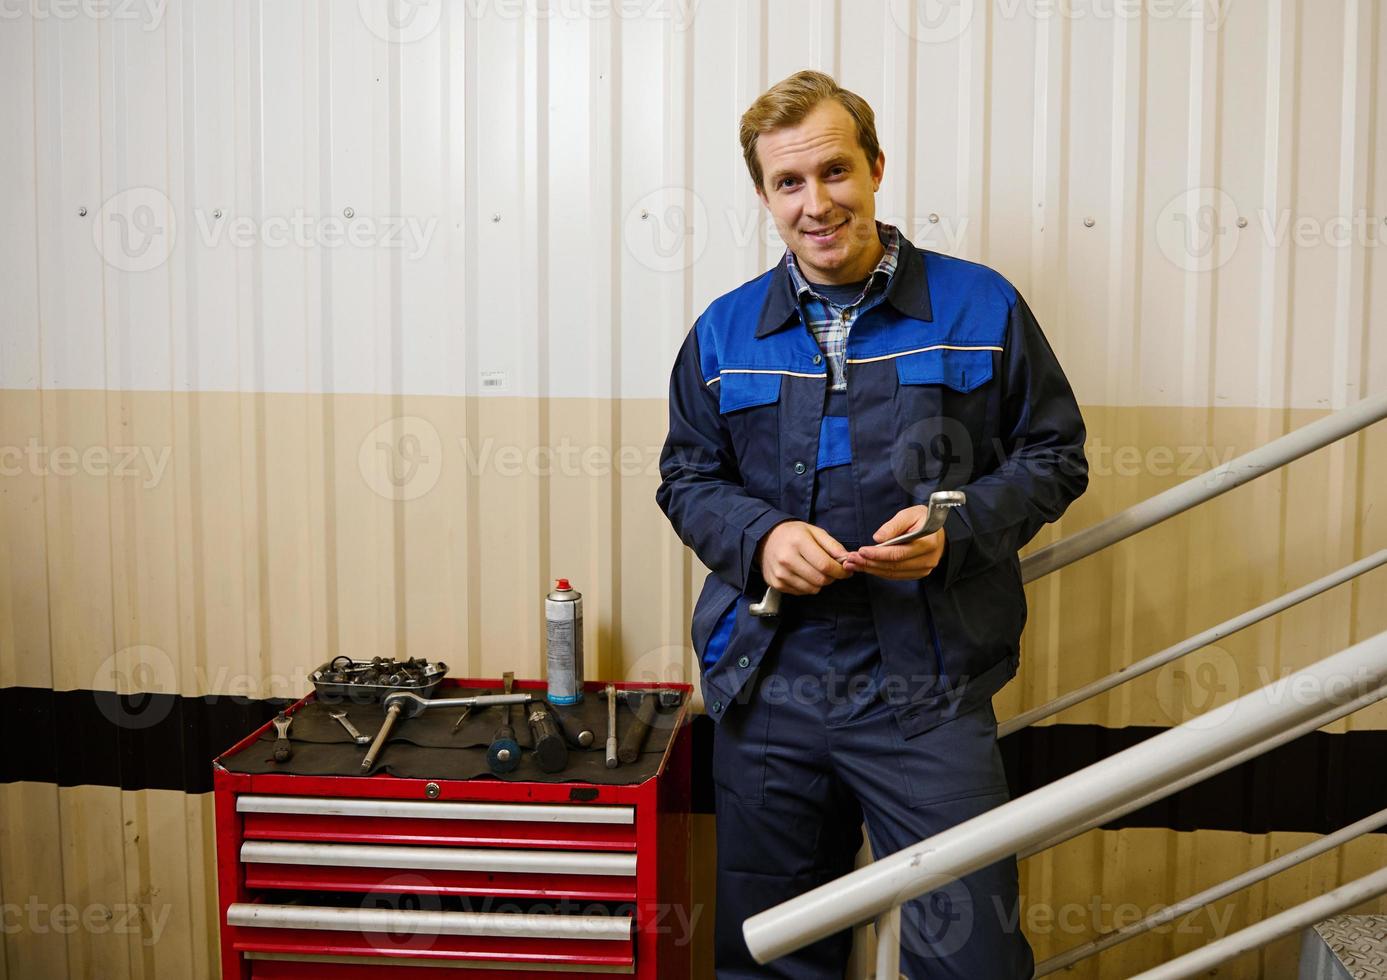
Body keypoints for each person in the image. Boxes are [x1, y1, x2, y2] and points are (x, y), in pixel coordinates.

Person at [656, 69, 1087, 978]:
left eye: (835, 172)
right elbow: (687, 476)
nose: (817, 204)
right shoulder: (723, 332)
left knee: (973, 956)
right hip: (768, 687)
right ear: (766, 195)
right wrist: (761, 538)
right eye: (788, 183)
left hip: (927, 691)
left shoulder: (982, 307)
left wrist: (956, 529)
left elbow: (1053, 457)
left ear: (876, 167)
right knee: (775, 957)